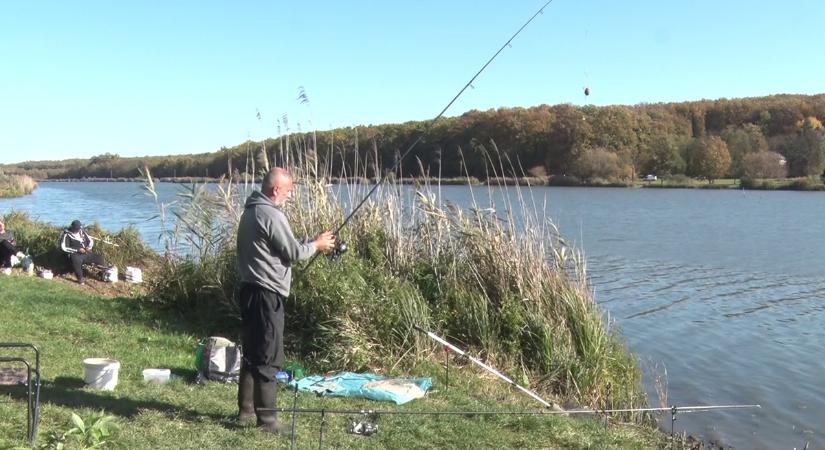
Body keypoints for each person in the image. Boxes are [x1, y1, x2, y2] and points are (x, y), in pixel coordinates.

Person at [235, 167, 335, 433]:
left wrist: (310, 242)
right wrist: (317, 246)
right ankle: (268, 422)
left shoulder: (252, 210)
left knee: (252, 353)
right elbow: (292, 252)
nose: (290, 195)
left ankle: (246, 412)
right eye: (289, 190)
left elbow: (279, 248)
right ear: (276, 189)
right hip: (266, 295)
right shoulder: (270, 213)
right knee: (267, 356)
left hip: (250, 291)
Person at [58, 220, 106, 284]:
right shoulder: (66, 234)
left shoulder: (82, 232)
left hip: (85, 253)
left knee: (99, 257)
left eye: (79, 228)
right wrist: (78, 250)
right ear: (73, 228)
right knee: (76, 260)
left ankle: (103, 274)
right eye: (77, 229)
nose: (78, 230)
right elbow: (64, 247)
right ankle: (80, 278)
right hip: (75, 255)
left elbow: (90, 241)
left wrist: (88, 247)